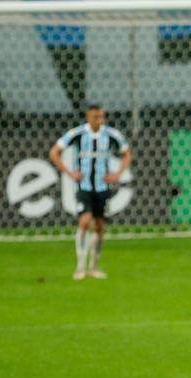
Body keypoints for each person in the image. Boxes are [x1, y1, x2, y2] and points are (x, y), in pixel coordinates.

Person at [49, 105, 132, 280]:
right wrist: (70, 173)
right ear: (88, 117)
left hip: (102, 187)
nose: (99, 120)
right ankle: (80, 266)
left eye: (102, 117)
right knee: (85, 221)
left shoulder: (111, 135)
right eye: (96, 117)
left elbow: (127, 154)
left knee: (100, 226)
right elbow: (55, 152)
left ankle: (94, 266)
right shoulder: (78, 133)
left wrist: (117, 174)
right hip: (84, 186)